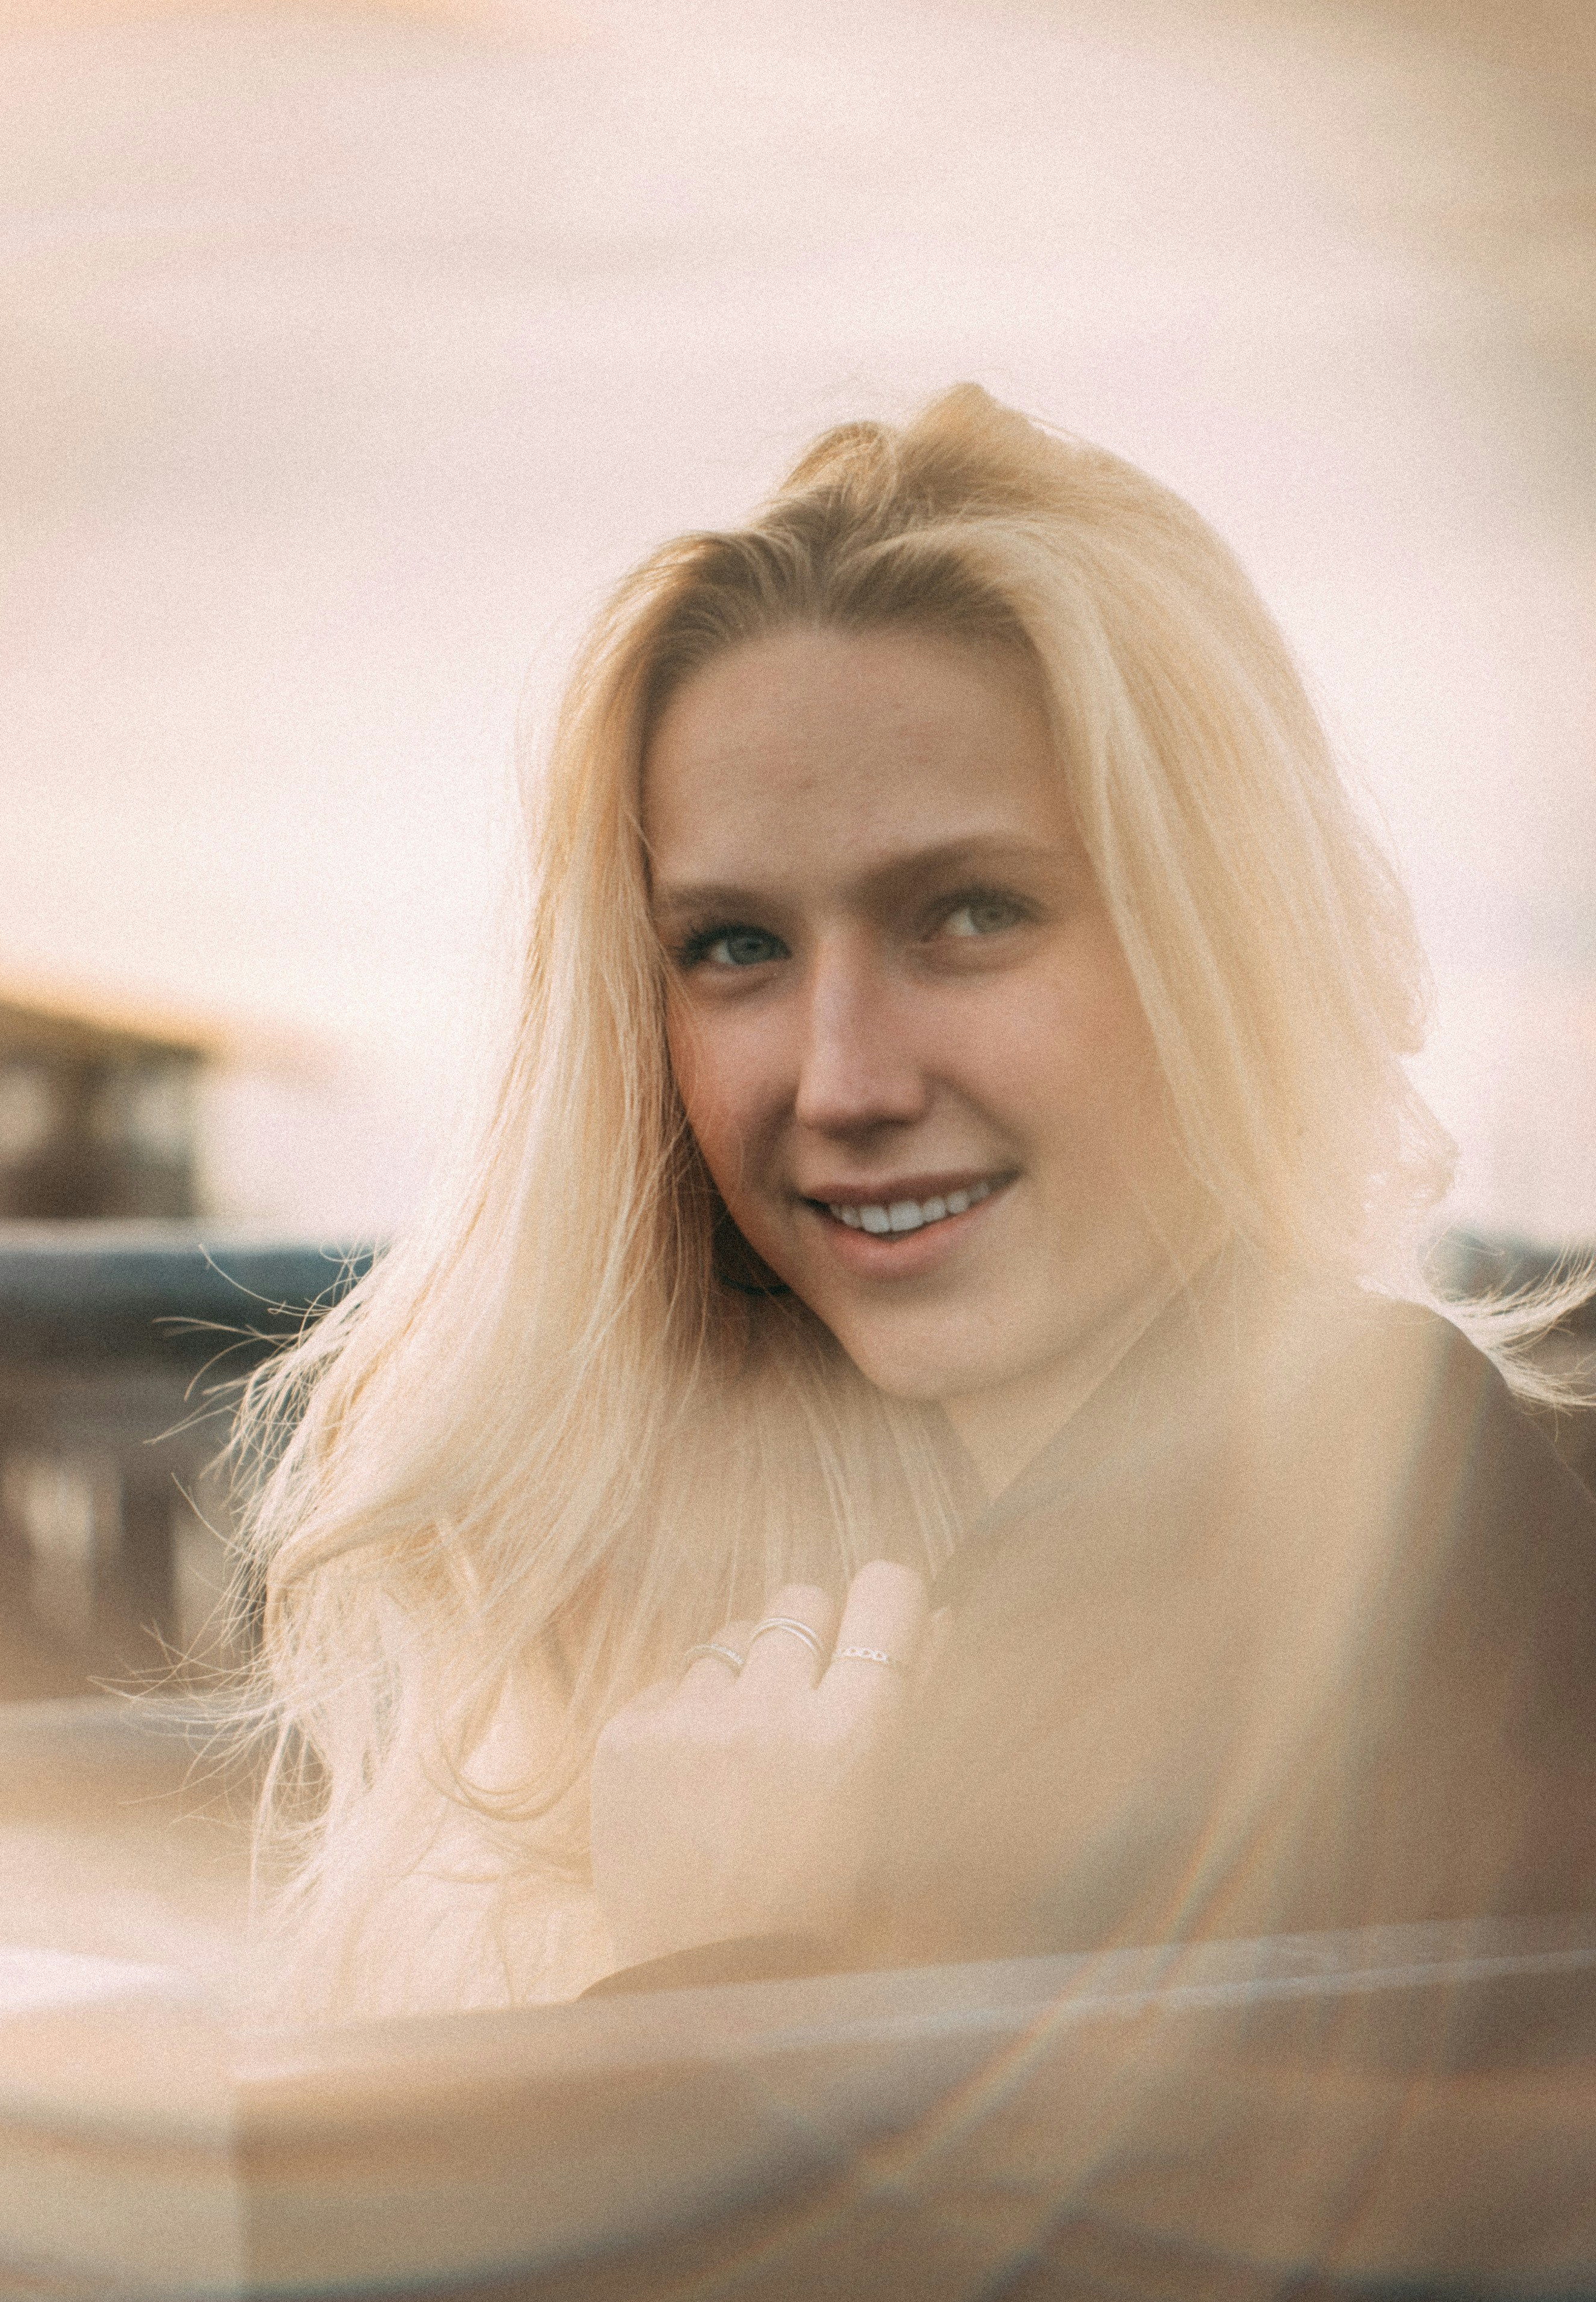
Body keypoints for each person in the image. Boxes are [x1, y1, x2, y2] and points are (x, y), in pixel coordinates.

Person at [237, 384, 1595, 2022]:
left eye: (967, 914)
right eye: (737, 945)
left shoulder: (1386, 1497)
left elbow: (1165, 2272)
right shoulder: (866, 1555)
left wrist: (713, 1981)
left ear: (1217, 937)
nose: (841, 1083)